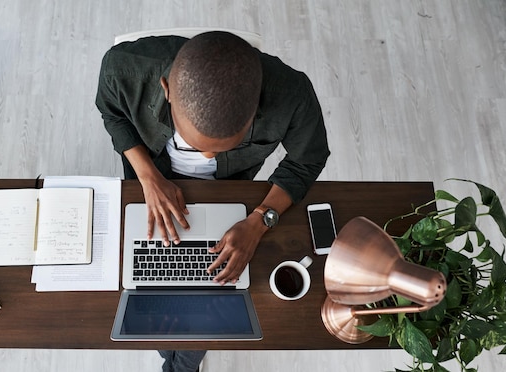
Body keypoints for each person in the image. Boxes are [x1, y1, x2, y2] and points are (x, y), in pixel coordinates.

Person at [96, 31, 330, 372]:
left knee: (210, 307)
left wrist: (260, 220)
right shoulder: (124, 68)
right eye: (195, 142)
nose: (205, 156)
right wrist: (148, 176)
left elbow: (308, 159)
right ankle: (171, 358)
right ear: (166, 91)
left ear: (254, 112)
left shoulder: (292, 94)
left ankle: (181, 366)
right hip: (148, 179)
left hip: (231, 190)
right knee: (150, 290)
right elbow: (112, 113)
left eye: (223, 148)